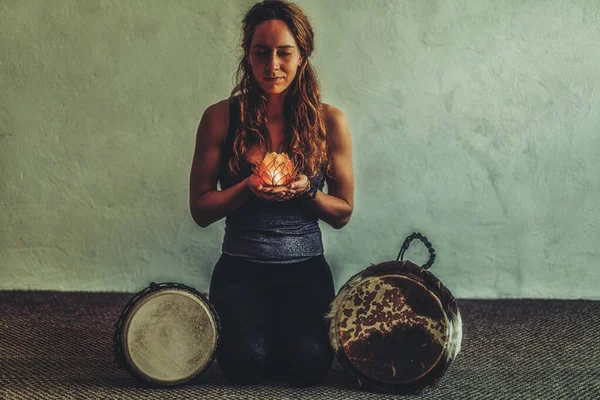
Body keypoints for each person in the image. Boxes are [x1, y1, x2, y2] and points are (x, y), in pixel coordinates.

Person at [188, 0, 354, 388]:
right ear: (247, 55)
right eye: (261, 52)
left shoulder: (330, 122)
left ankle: (285, 333)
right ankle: (262, 331)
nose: (272, 65)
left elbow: (342, 213)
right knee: (246, 365)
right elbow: (200, 209)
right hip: (240, 272)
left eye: (284, 52)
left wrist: (307, 190)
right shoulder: (220, 117)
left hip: (306, 273)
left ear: (303, 55)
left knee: (309, 367)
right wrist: (247, 188)